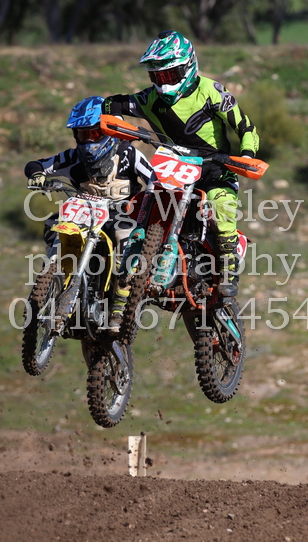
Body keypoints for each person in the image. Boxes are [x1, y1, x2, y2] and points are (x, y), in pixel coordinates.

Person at [102, 30, 260, 330]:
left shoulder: (212, 92)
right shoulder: (149, 99)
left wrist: (246, 155)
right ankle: (122, 296)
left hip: (214, 172)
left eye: (169, 75)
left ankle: (228, 271)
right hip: (172, 170)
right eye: (157, 76)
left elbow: (247, 128)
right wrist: (98, 115)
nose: (163, 83)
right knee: (139, 208)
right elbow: (113, 105)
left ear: (188, 67)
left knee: (221, 209)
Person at [24, 95, 153, 313]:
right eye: (83, 135)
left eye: (94, 134)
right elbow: (36, 164)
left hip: (120, 214)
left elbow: (154, 178)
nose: (88, 141)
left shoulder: (128, 154)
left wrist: (153, 198)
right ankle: (53, 273)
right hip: (83, 214)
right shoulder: (73, 157)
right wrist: (37, 175)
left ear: (109, 131)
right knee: (52, 224)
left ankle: (120, 304)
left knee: (125, 235)